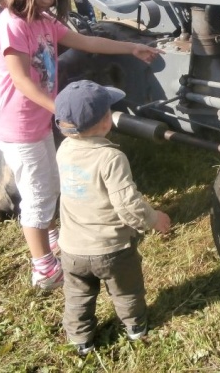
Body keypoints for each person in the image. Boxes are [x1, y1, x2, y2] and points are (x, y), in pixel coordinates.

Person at [0, 0, 163, 293]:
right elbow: (21, 80)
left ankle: (52, 239)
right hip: (18, 124)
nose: (49, 0)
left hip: (40, 119)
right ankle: (44, 269)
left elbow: (86, 42)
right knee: (36, 196)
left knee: (51, 184)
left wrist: (131, 48)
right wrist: (61, 110)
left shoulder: (44, 21)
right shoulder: (12, 25)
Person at [53, 79, 172, 355]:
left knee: (78, 295)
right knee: (127, 290)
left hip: (71, 248)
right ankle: (135, 327)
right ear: (107, 121)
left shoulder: (63, 150)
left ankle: (80, 340)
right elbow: (128, 205)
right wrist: (155, 219)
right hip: (112, 249)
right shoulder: (110, 158)